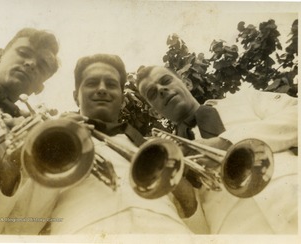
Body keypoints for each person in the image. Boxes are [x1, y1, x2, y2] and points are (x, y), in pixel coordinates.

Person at [135, 65, 298, 234]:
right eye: (153, 93)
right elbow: (200, 233)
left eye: (165, 81)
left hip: (294, 196)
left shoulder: (244, 100)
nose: (161, 89)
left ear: (188, 83)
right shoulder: (170, 158)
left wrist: (225, 142)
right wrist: (182, 192)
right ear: (154, 113)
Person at [47, 54, 194, 235]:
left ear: (122, 98)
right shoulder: (49, 142)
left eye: (111, 84)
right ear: (75, 97)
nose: (102, 89)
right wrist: (55, 146)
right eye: (92, 83)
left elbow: (191, 208)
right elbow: (25, 218)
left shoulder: (154, 148)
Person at [0, 28, 60, 234]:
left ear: (40, 89)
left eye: (42, 65)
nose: (31, 64)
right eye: (24, 53)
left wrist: (13, 163)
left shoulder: (25, 133)